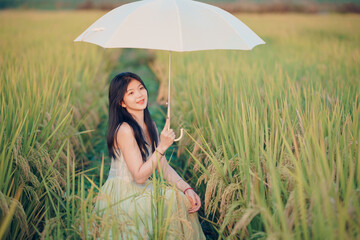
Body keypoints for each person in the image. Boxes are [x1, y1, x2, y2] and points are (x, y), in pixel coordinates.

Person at [94, 72, 206, 239]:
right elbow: (139, 176)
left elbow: (164, 169)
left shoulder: (150, 125)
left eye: (141, 88)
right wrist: (162, 147)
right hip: (123, 194)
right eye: (130, 93)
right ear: (121, 102)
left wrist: (187, 188)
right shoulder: (125, 130)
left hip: (141, 189)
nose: (139, 95)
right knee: (172, 202)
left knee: (182, 198)